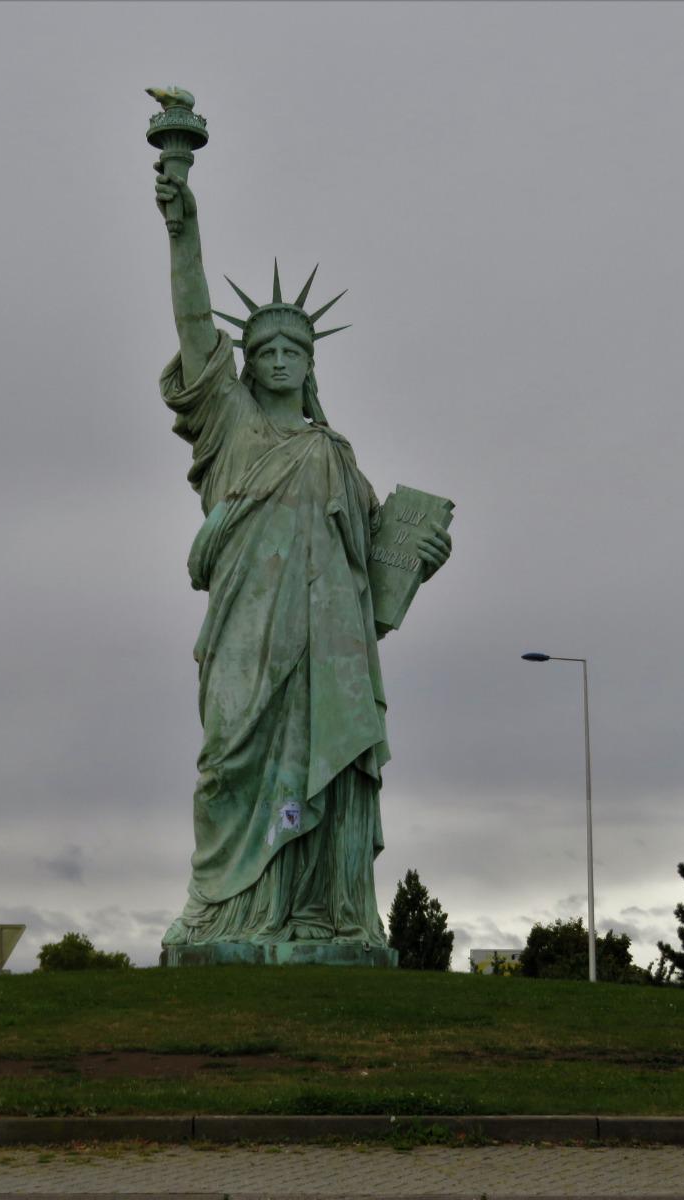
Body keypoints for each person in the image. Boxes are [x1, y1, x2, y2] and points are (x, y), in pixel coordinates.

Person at [154, 163, 452, 955]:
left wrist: (420, 550)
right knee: (230, 762)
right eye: (265, 346)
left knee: (323, 772)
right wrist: (183, 225)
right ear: (245, 363)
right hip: (249, 644)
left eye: (295, 346)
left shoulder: (335, 456)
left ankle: (320, 912)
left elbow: (373, 564)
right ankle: (227, 913)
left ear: (311, 363)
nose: (280, 356)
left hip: (328, 659)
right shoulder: (231, 426)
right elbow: (191, 324)